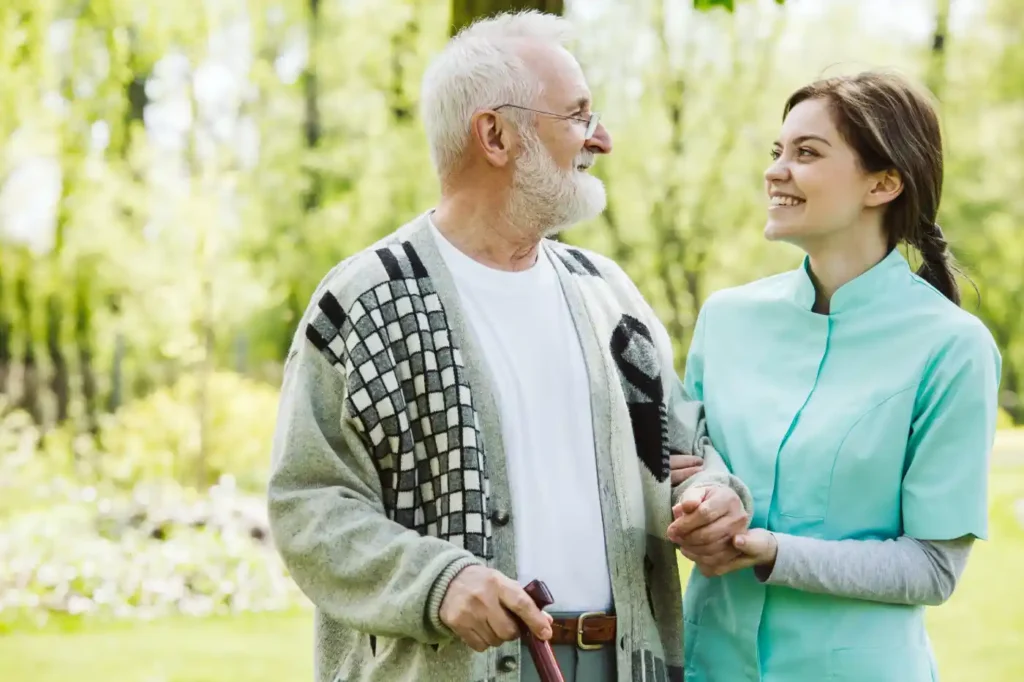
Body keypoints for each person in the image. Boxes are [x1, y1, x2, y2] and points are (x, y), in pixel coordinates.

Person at [266, 11, 749, 682]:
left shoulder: (608, 295)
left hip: (625, 662)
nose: (601, 138)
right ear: (495, 134)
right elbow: (309, 503)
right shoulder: (366, 303)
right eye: (578, 115)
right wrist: (438, 583)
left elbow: (680, 449)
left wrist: (713, 494)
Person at [665, 71, 1002, 681]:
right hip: (707, 666)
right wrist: (703, 499)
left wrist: (771, 552)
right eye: (777, 151)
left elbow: (931, 568)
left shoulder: (951, 347)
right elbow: (691, 457)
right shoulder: (726, 319)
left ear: (883, 183)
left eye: (807, 153)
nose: (776, 170)